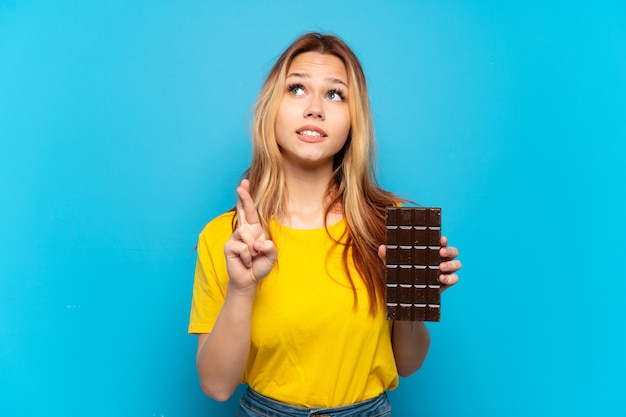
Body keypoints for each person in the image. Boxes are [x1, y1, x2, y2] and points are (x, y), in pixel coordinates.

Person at [188, 32, 462, 417]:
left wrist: (413, 302)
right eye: (297, 88)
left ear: (354, 119)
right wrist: (242, 288)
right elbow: (216, 386)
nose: (314, 108)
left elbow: (408, 364)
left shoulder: (393, 224)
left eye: (335, 94)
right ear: (272, 108)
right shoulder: (225, 237)